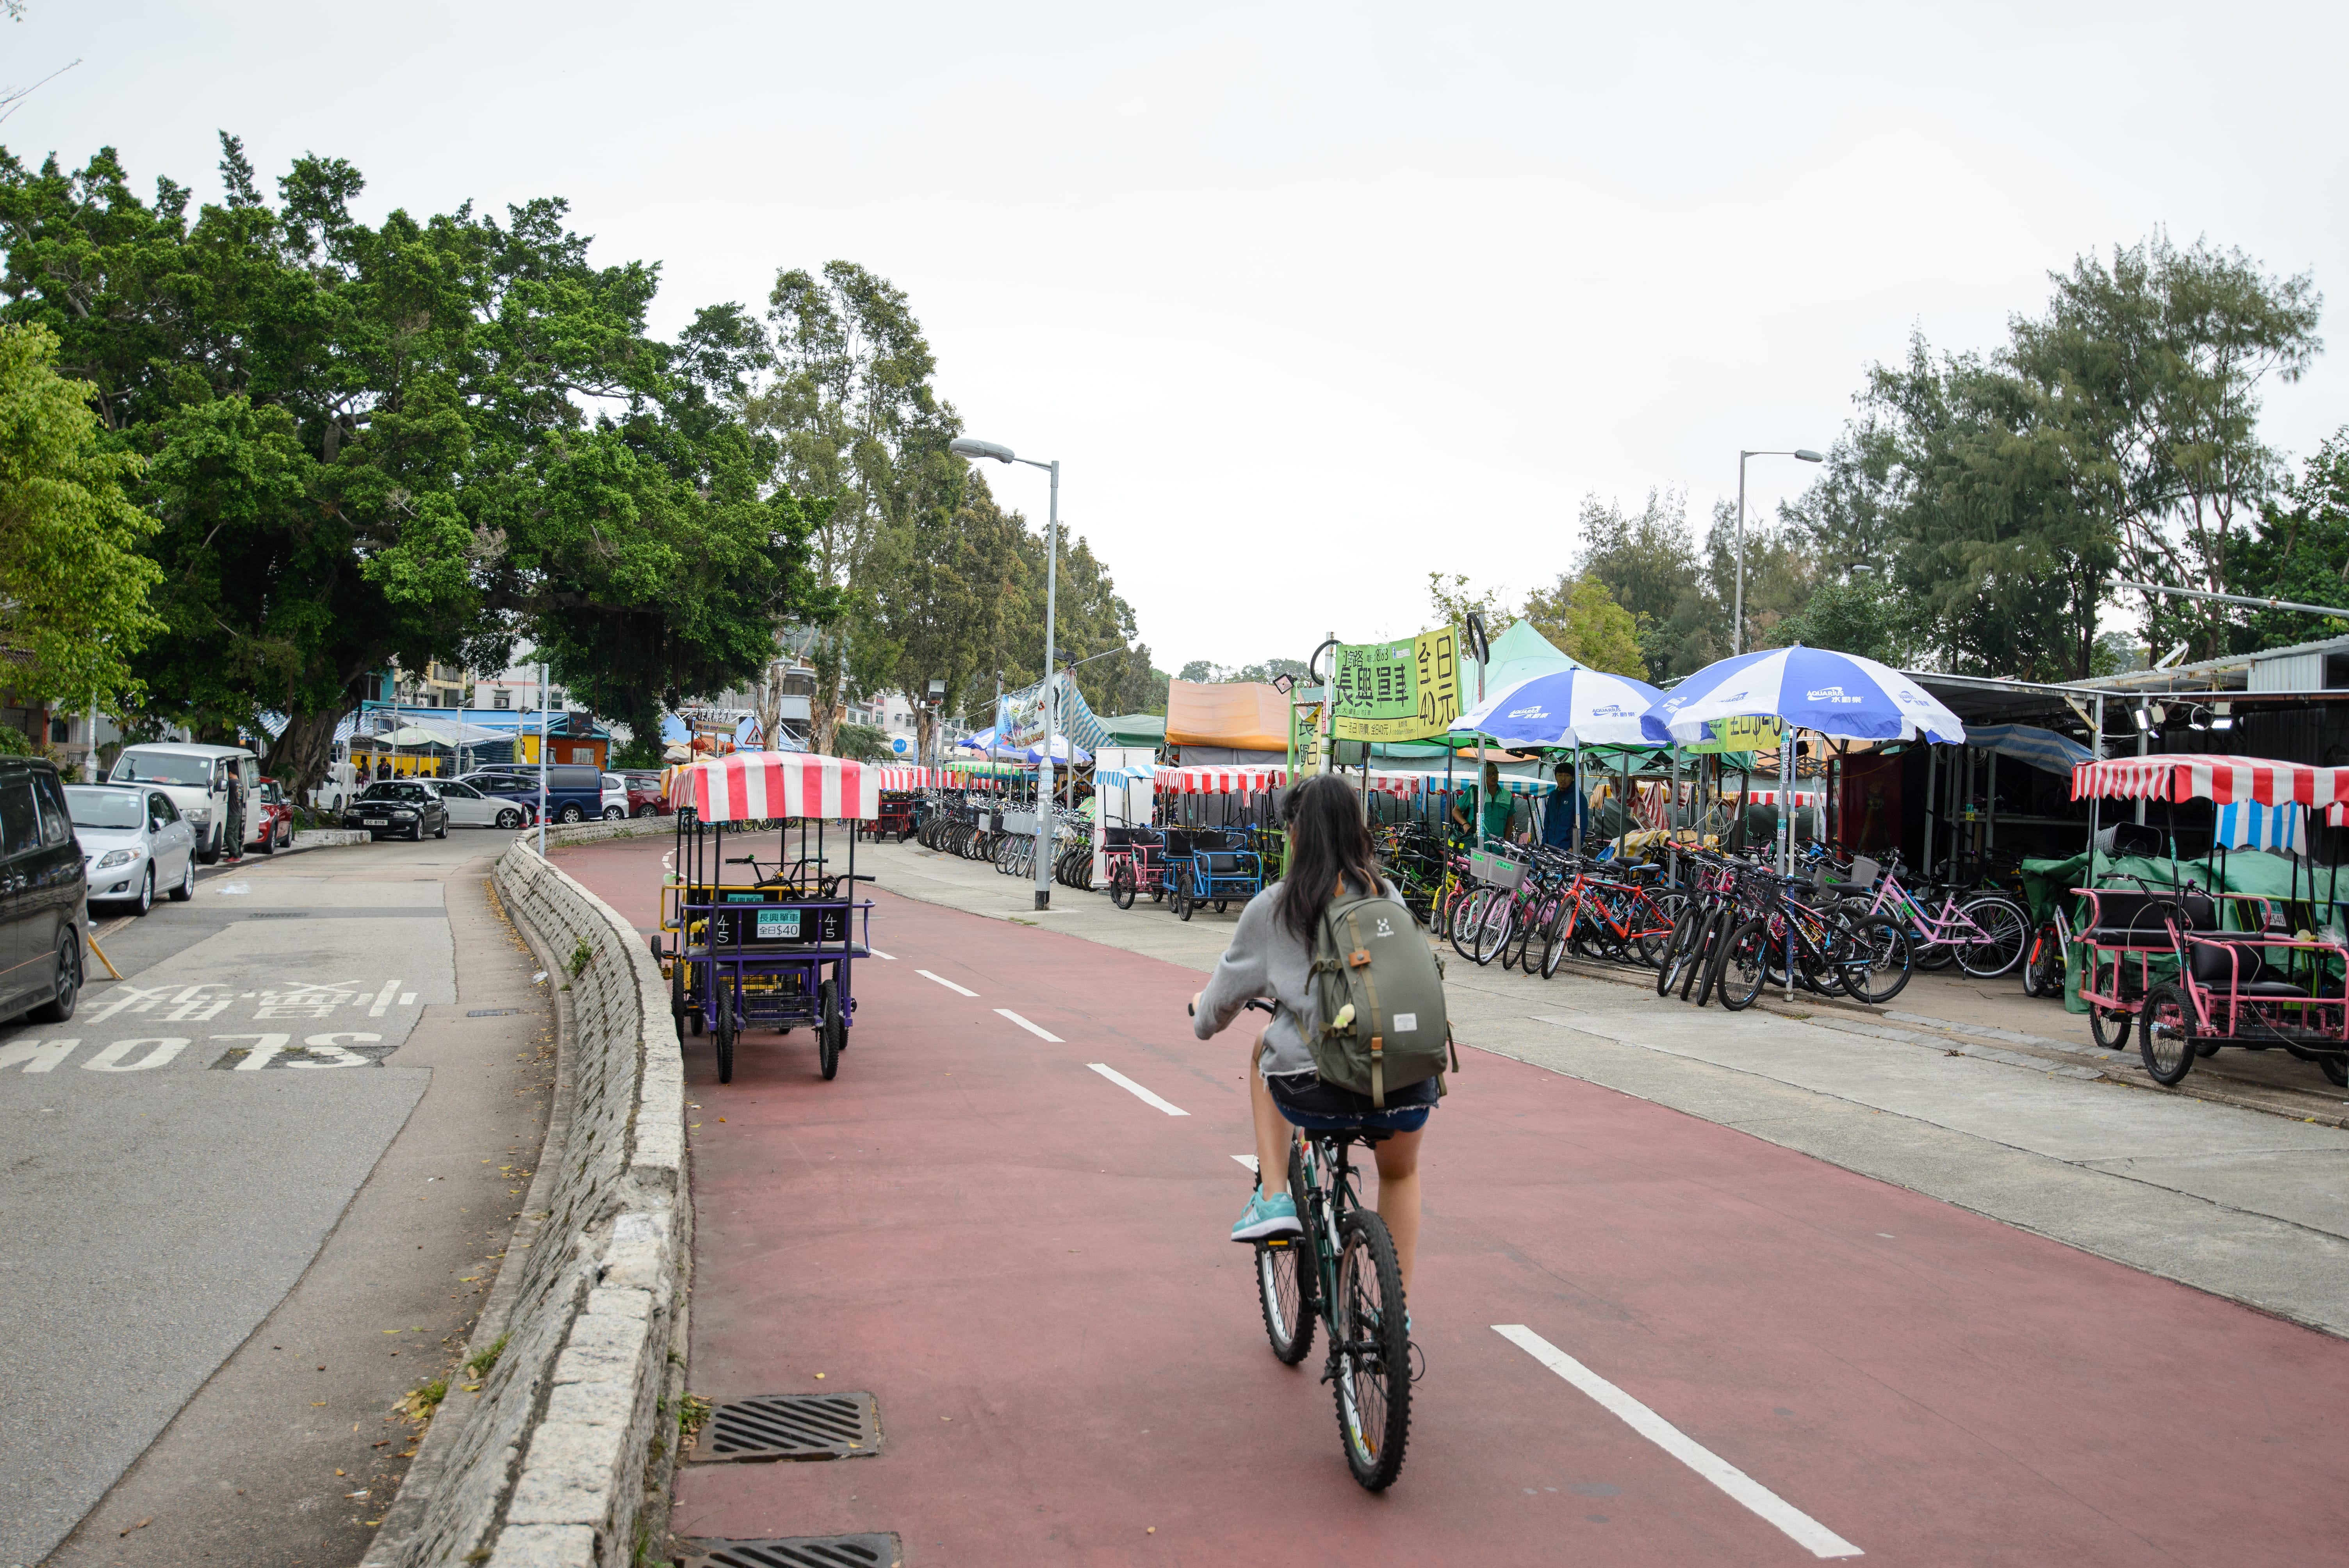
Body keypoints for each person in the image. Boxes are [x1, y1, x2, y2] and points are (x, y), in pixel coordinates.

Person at [1191, 773, 1434, 1296]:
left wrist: (1199, 1011)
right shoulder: (1386, 895)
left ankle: (1276, 1196)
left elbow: (1215, 1011)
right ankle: (1397, 1312)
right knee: (1399, 1174)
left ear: (1295, 835)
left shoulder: (1275, 907)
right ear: (1359, 831)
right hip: (1404, 1078)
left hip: (1313, 1087)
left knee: (1263, 1048)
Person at [1541, 761, 1581, 851]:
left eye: (1567, 776)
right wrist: (1544, 843)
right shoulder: (1553, 796)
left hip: (1567, 850)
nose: (1563, 779)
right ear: (1556, 777)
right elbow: (1547, 822)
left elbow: (1582, 825)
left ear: (1573, 778)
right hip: (1550, 847)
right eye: (1560, 775)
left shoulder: (1578, 797)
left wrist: (1573, 847)